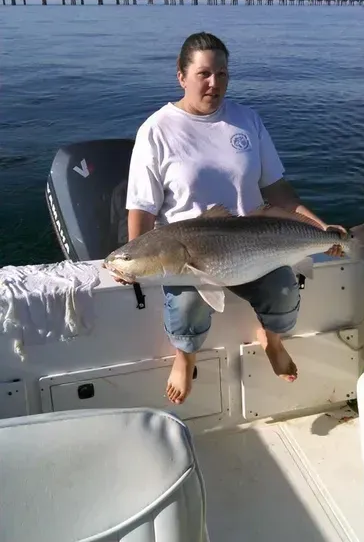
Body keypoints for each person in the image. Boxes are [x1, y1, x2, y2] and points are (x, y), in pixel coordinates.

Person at [122, 32, 346, 405]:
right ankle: (184, 355)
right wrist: (131, 259)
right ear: (181, 76)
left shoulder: (246, 121)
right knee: (189, 304)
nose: (215, 84)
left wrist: (322, 229)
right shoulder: (156, 131)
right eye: (204, 74)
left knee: (284, 287)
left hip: (255, 243)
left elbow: (277, 190)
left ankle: (271, 340)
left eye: (223, 74)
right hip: (189, 250)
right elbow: (142, 207)